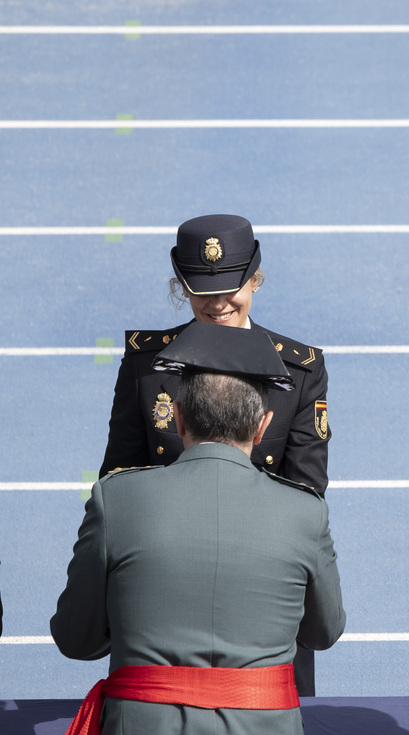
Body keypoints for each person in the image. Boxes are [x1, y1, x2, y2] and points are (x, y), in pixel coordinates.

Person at [50, 322, 345, 735]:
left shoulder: (116, 500)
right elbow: (323, 632)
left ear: (178, 420)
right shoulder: (304, 512)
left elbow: (74, 637)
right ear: (264, 424)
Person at [99, 213, 330, 695]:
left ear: (257, 280)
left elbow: (306, 488)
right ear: (181, 287)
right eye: (201, 291)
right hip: (165, 576)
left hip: (261, 579)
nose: (218, 303)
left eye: (233, 287)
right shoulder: (147, 364)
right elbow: (119, 475)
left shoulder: (299, 369)